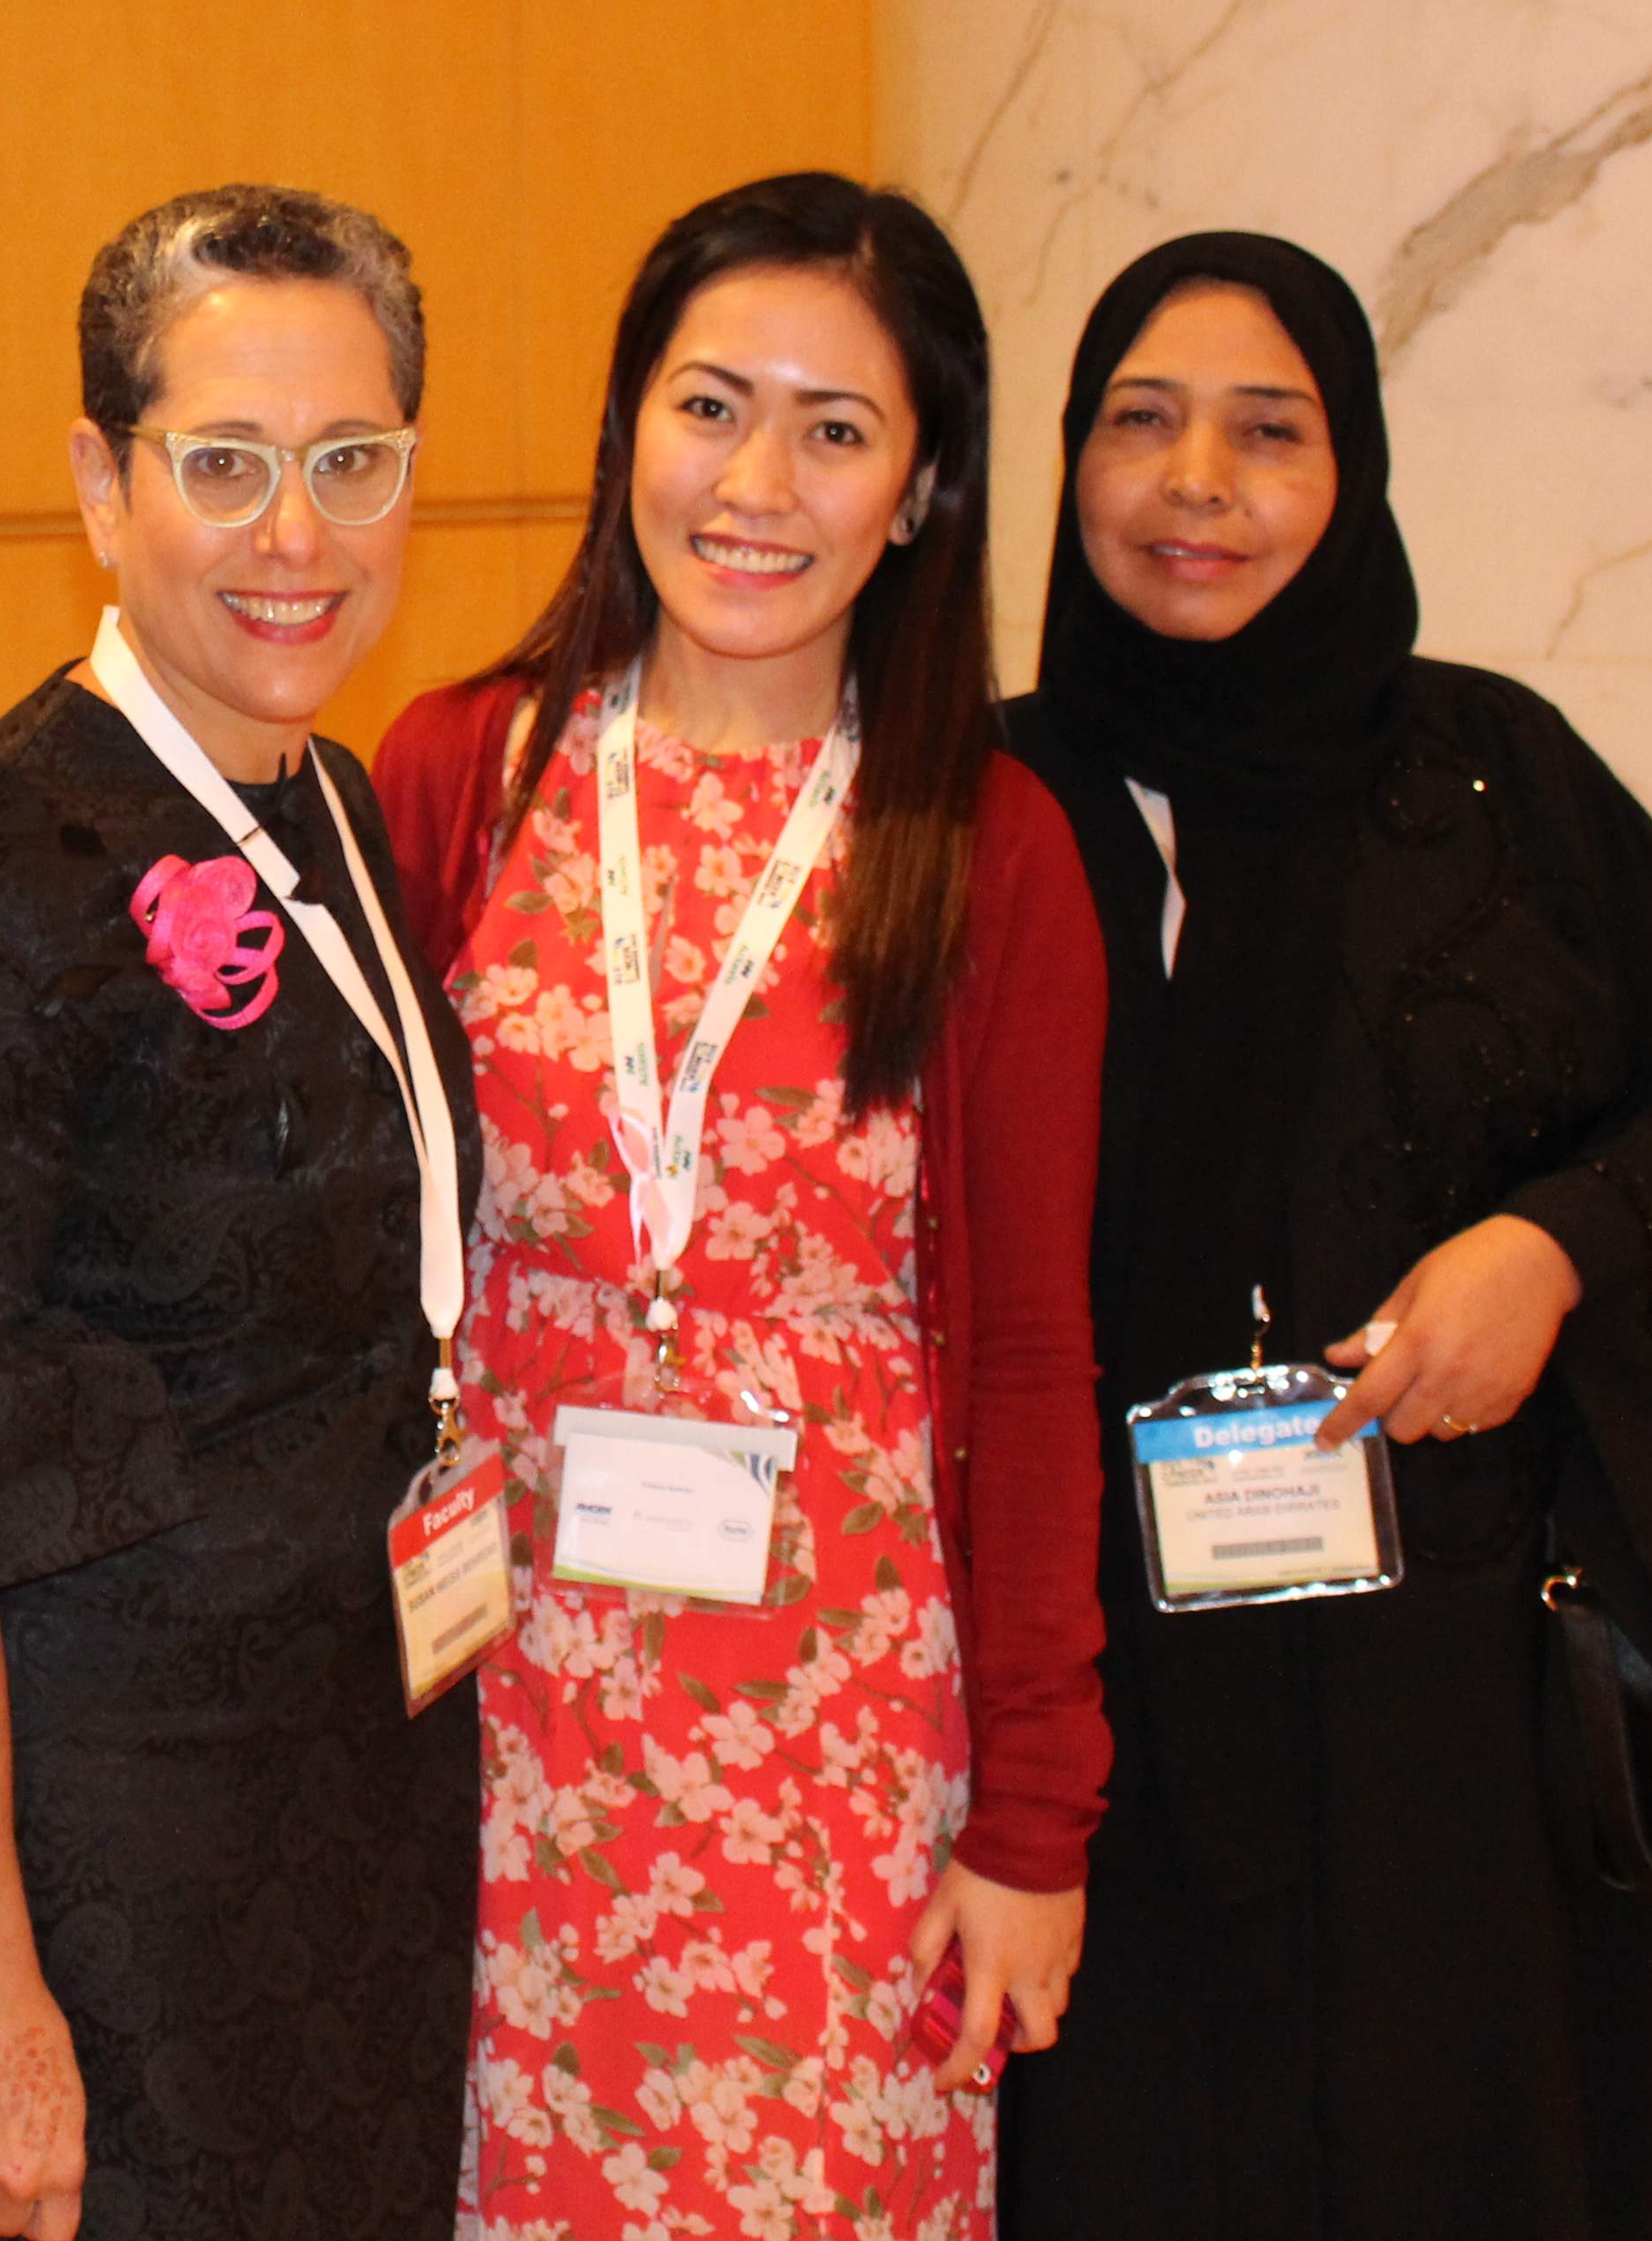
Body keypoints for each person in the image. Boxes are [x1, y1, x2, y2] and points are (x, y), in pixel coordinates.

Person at [989, 234, 1652, 2240]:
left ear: (1354, 473)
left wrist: (1554, 1247)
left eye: (1267, 431)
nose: (1195, 479)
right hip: (1102, 1725)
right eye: (1140, 421)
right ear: (1068, 466)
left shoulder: (1498, 778)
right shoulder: (982, 808)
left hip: (1461, 1740)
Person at [372, 174, 1110, 2237]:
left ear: (927, 488)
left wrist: (1035, 1815)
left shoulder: (984, 841)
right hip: (498, 1722)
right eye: (711, 406)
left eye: (836, 429)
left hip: (849, 1745)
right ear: (627, 431)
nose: (754, 483)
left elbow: (1041, 1353)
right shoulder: (460, 775)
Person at [0, 184, 479, 2241]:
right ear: (102, 487)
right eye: (226, 466)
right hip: (119, 1835)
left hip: (360, 1779)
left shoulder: (330, 796)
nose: (301, 536)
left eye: (353, 465)